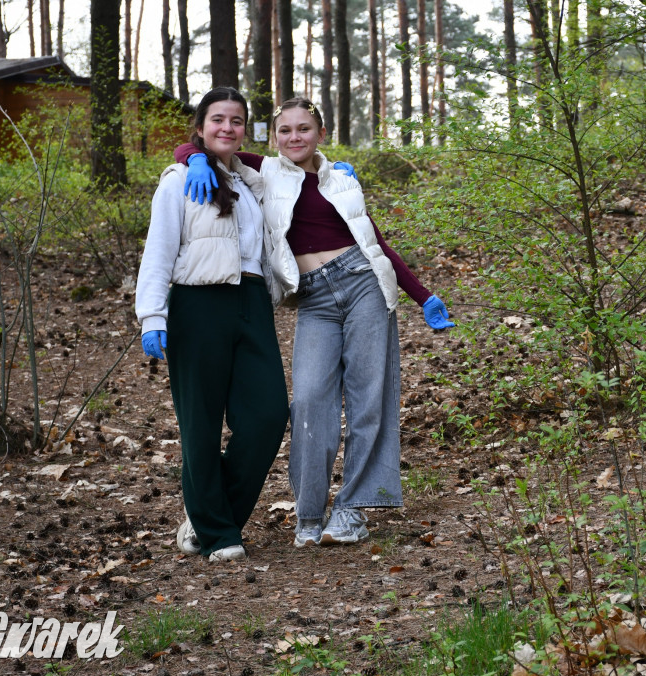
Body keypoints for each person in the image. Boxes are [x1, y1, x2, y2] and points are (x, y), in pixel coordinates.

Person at [176, 97, 455, 547]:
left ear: (320, 134)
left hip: (364, 282)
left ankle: (351, 509)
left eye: (303, 129)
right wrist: (190, 160)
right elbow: (209, 146)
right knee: (307, 400)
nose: (294, 138)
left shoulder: (341, 178)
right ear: (273, 136)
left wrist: (422, 295)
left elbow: (373, 240)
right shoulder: (264, 171)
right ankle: (308, 512)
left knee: (368, 399)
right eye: (284, 130)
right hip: (315, 298)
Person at [136, 87, 292, 563]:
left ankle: (205, 514)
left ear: (246, 128)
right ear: (201, 126)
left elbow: (301, 168)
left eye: (237, 120)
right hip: (197, 304)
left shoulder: (253, 180)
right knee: (200, 425)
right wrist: (152, 315)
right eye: (218, 119)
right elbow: (159, 251)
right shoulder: (179, 180)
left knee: (267, 416)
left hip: (251, 301)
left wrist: (335, 171)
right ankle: (219, 533)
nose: (228, 127)